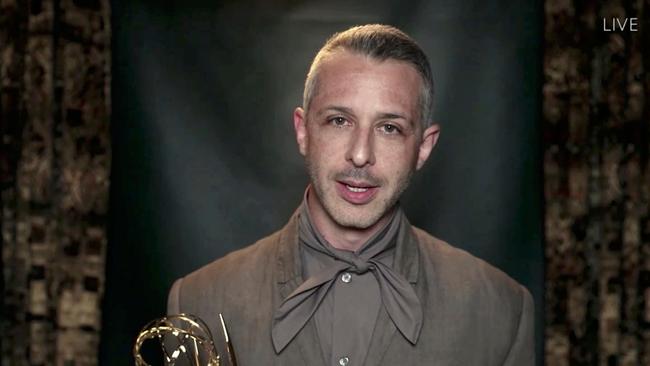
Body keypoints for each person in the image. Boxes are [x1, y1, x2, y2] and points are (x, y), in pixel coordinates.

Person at [167, 24, 535, 366]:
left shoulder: (503, 313)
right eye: (339, 121)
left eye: (389, 128)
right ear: (303, 131)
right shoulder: (198, 301)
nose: (360, 154)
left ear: (423, 148)